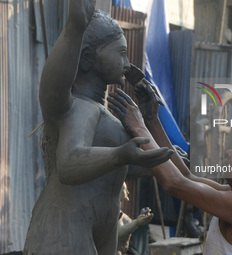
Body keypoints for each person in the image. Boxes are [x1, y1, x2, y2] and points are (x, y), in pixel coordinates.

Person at [23, 1, 172, 254]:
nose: (128, 63)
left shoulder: (104, 114)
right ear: (88, 58)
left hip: (100, 231)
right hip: (65, 229)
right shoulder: (79, 108)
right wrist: (76, 27)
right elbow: (70, 164)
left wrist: (150, 154)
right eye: (121, 53)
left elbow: (116, 167)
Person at [108, 87, 232, 255]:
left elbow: (175, 183)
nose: (229, 153)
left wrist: (139, 127)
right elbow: (186, 175)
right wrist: (152, 120)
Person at [117, 182, 153, 255]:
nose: (128, 192)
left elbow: (129, 226)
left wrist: (142, 216)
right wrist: (136, 222)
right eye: (125, 189)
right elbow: (118, 235)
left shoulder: (123, 215)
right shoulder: (111, 213)